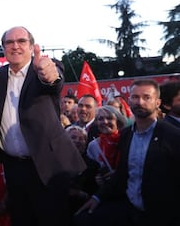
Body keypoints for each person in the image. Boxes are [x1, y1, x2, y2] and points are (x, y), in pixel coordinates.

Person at [0, 26, 86, 226]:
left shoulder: (43, 68)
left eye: (21, 41)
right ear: (3, 48)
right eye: (9, 42)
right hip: (13, 168)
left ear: (31, 46)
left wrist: (50, 76)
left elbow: (54, 81)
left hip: (47, 167)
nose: (15, 46)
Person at [74, 79, 180, 226]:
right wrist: (97, 198)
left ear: (157, 103)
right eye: (135, 97)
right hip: (130, 209)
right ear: (129, 101)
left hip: (162, 215)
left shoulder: (173, 136)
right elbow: (122, 174)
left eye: (146, 97)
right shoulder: (125, 136)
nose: (140, 102)